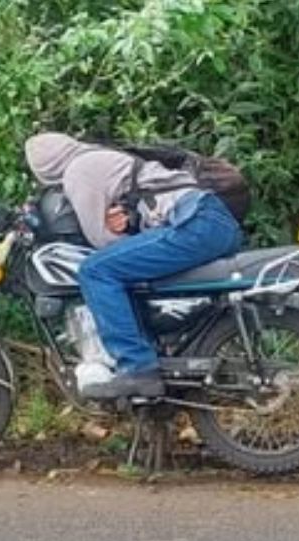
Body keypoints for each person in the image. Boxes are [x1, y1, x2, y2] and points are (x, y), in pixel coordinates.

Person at [24, 132, 244, 399]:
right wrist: (127, 223)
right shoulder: (97, 157)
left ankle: (138, 368)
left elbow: (99, 239)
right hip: (208, 219)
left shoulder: (77, 173)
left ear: (43, 169)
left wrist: (115, 237)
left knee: (95, 271)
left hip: (196, 224)